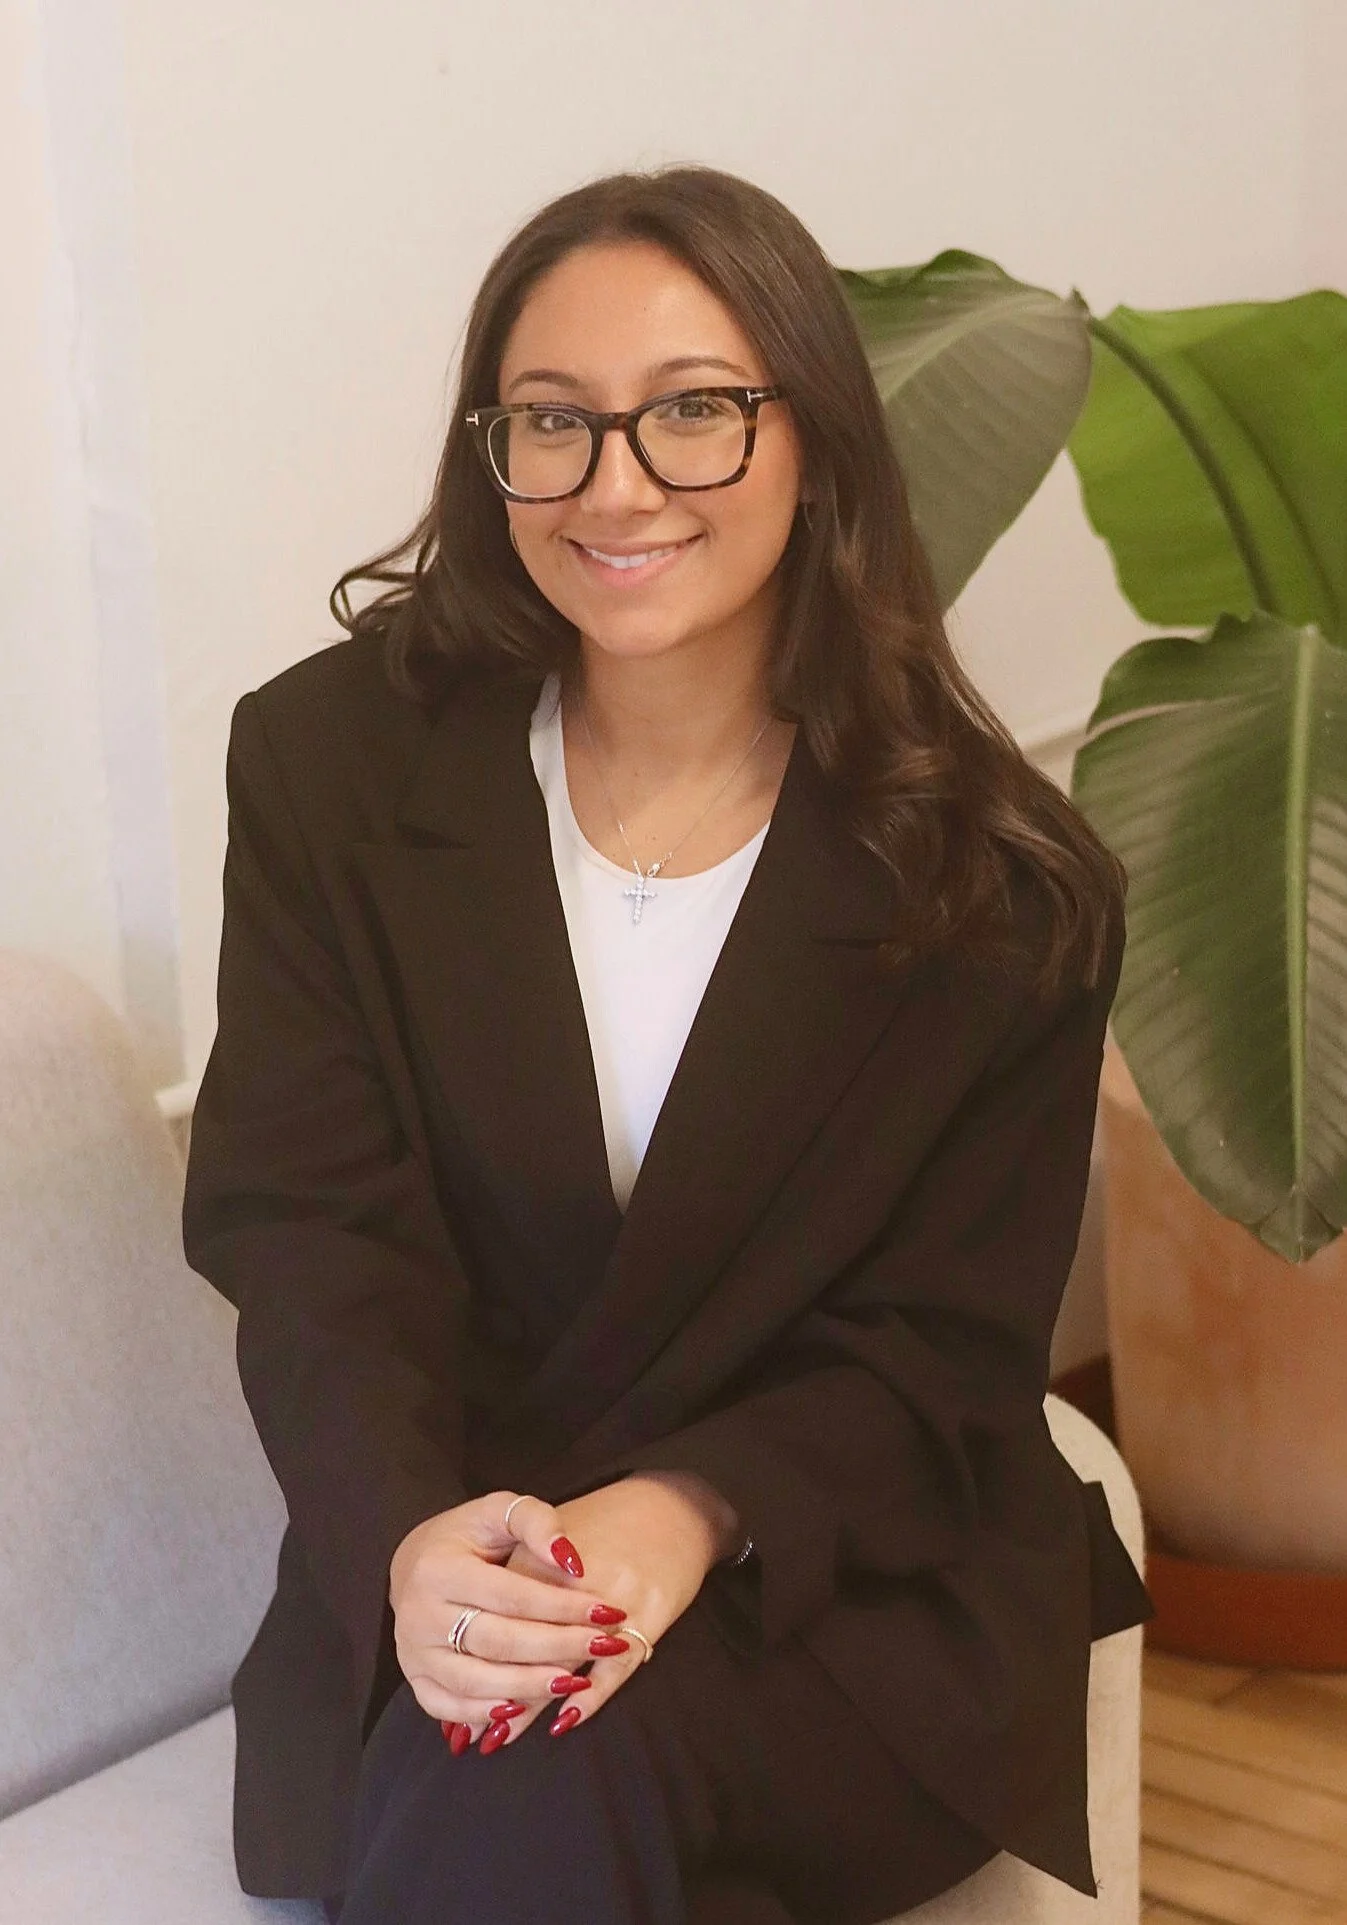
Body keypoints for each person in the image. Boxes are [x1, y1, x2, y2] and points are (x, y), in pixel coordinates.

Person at [181, 164, 1151, 1925]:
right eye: (553, 423)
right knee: (531, 1742)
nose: (614, 485)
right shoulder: (330, 769)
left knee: (530, 1762)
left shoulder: (1006, 889)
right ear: (493, 452)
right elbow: (309, 1235)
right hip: (458, 1542)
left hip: (831, 1589)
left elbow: (941, 1350)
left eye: (692, 413)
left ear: (816, 437)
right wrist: (414, 1542)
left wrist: (689, 1510)